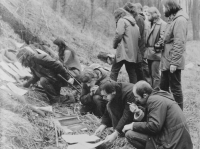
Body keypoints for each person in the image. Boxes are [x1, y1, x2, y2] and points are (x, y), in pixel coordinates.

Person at [123, 81, 193, 149]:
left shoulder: (154, 100)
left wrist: (132, 125)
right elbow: (156, 118)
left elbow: (154, 126)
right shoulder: (158, 96)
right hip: (175, 137)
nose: (136, 100)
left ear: (145, 95)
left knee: (129, 134)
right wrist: (139, 112)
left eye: (136, 97)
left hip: (173, 141)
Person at [160, 0, 189, 110]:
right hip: (167, 60)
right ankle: (165, 111)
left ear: (169, 7)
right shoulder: (172, 20)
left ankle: (179, 114)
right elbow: (168, 38)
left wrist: (174, 62)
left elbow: (179, 42)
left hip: (172, 61)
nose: (163, 10)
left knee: (175, 89)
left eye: (164, 8)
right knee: (163, 88)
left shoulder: (180, 20)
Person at [110, 8, 142, 84]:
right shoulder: (135, 25)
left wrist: (114, 45)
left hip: (123, 51)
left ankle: (110, 88)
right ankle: (134, 91)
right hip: (132, 54)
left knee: (114, 70)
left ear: (118, 15)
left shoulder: (122, 21)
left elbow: (119, 34)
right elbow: (139, 38)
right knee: (132, 72)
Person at [123, 2, 150, 84]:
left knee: (138, 73)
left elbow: (137, 37)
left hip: (137, 51)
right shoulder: (137, 18)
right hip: (136, 50)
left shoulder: (138, 19)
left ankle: (141, 90)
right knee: (137, 72)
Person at [144, 7, 166, 90]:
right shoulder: (150, 23)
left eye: (149, 15)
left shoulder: (162, 24)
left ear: (154, 15)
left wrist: (157, 47)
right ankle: (151, 91)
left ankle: (156, 92)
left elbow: (163, 38)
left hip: (156, 53)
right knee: (150, 74)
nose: (147, 16)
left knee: (155, 74)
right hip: (149, 52)